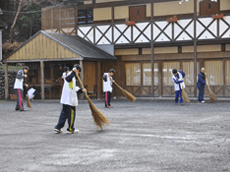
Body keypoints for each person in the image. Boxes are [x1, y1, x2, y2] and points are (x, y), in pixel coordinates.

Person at [54, 64, 86, 134]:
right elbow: (68, 79)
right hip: (69, 99)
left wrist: (81, 90)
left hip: (66, 99)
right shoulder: (70, 74)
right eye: (79, 72)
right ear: (78, 70)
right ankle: (71, 129)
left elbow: (72, 87)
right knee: (71, 114)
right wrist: (74, 72)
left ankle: (58, 127)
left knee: (64, 114)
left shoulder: (71, 75)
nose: (78, 74)